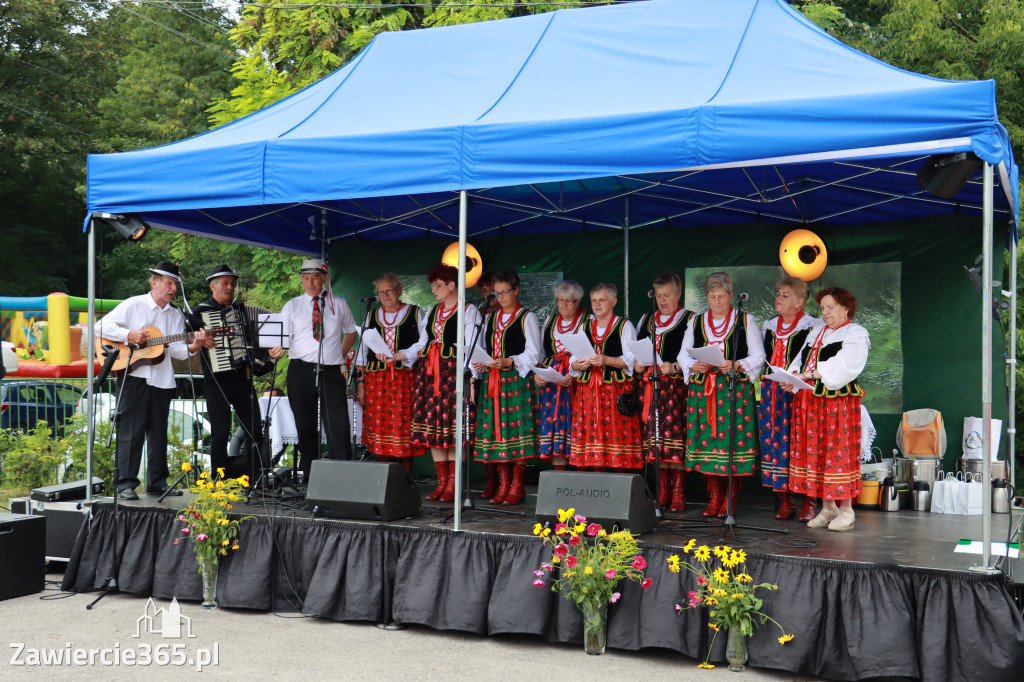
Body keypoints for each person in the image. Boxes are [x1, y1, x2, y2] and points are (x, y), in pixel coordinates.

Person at [94, 261, 208, 499]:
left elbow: (176, 350)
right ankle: (125, 484)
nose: (173, 289)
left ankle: (157, 483)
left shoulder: (176, 313)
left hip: (163, 380)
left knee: (159, 433)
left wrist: (194, 346)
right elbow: (100, 326)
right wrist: (128, 334)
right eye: (168, 283)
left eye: (175, 284)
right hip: (134, 376)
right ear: (154, 282)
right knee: (131, 433)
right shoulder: (135, 304)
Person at [681, 271, 764, 517]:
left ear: (730, 296)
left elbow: (759, 355)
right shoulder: (696, 321)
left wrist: (737, 364)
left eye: (721, 296)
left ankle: (730, 498)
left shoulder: (745, 320)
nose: (716, 301)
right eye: (712, 296)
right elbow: (683, 354)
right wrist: (693, 365)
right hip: (705, 391)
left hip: (733, 393)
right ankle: (715, 497)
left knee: (729, 446)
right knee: (709, 444)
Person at [787, 287, 870, 532]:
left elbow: (844, 367)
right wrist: (791, 377)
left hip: (837, 403)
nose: (826, 312)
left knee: (837, 451)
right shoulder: (817, 333)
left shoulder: (856, 334)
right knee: (818, 452)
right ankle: (828, 506)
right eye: (823, 308)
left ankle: (846, 509)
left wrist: (810, 374)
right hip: (812, 402)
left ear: (845, 307)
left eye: (830, 307)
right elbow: (801, 360)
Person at [268, 259, 357, 482]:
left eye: (315, 277)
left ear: (324, 278)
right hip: (300, 370)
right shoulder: (292, 305)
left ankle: (342, 479)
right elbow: (283, 339)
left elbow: (350, 331)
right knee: (305, 426)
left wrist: (340, 355)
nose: (310, 283)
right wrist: (275, 350)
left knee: (338, 425)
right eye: (306, 278)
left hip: (331, 370)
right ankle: (311, 478)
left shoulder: (339, 304)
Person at [187, 264, 271, 482]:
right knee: (219, 434)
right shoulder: (199, 312)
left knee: (255, 431)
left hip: (243, 379)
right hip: (217, 381)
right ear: (212, 286)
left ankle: (254, 478)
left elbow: (262, 341)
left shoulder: (242, 312)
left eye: (232, 283)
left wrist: (270, 354)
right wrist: (198, 339)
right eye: (225, 283)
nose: (229, 287)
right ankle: (218, 480)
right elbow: (189, 339)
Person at [410, 263, 483, 502]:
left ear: (452, 285)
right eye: (433, 286)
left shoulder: (469, 311)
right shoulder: (432, 312)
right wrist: (400, 355)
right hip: (431, 377)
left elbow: (473, 347)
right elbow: (423, 343)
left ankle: (454, 483)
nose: (433, 290)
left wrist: (472, 377)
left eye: (437, 285)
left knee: (454, 431)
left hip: (454, 376)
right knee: (435, 430)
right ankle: (442, 483)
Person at [471, 270, 541, 505]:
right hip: (493, 383)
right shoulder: (489, 319)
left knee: (517, 431)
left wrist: (509, 361)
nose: (501, 297)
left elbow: (534, 353)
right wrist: (480, 363)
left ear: (516, 290)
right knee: (497, 433)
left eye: (505, 292)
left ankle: (516, 487)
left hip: (516, 382)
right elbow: (481, 348)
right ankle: (502, 485)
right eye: (497, 293)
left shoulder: (526, 317)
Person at [758, 276, 824, 520]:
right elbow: (759, 357)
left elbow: (815, 358)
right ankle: (784, 499)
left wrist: (799, 379)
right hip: (773, 393)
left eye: (785, 295)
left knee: (802, 444)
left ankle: (809, 501)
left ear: (799, 302)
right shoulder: (769, 325)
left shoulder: (812, 326)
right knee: (774, 442)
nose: (779, 298)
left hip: (798, 392)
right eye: (778, 293)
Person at [634, 271, 694, 511]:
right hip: (651, 387)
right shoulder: (647, 320)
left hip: (677, 389)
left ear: (678, 295)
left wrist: (675, 367)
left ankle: (679, 491)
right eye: (658, 295)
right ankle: (663, 491)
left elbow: (694, 356)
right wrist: (637, 363)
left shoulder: (690, 319)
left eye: (667, 295)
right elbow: (636, 349)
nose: (662, 300)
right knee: (655, 443)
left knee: (676, 441)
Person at [355, 273, 427, 470]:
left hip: (405, 380)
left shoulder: (416, 313)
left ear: (399, 290)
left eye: (389, 291)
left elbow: (425, 345)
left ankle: (405, 474)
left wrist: (401, 355)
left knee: (405, 424)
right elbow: (361, 354)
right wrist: (361, 386)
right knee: (379, 425)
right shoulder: (371, 315)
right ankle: (383, 473)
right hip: (377, 381)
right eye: (381, 292)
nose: (385, 295)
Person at [569, 283, 642, 471]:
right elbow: (573, 359)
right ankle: (596, 479)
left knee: (617, 434)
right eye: (594, 300)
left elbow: (631, 359)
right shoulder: (585, 326)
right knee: (591, 434)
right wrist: (577, 365)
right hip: (589, 394)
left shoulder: (624, 325)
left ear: (614, 301)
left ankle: (619, 482)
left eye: (602, 299)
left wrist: (606, 359)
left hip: (613, 391)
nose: (597, 304)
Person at [535, 280, 587, 472]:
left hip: (578, 386)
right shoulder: (549, 321)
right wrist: (538, 375)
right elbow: (541, 355)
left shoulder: (587, 322)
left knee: (576, 429)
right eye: (560, 300)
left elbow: (589, 354)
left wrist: (573, 375)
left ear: (578, 301)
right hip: (552, 386)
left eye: (569, 301)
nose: (564, 305)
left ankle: (579, 478)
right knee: (555, 428)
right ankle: (559, 479)